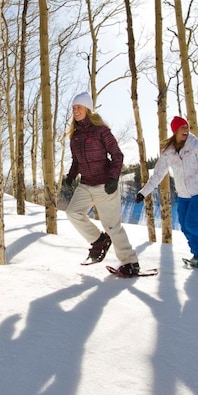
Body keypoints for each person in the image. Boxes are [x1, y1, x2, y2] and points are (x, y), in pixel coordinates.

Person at [135, 116, 198, 267]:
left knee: (192, 224)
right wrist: (143, 192)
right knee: (185, 226)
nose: (186, 130)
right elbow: (158, 175)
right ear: (175, 131)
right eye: (182, 128)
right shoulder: (169, 152)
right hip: (183, 196)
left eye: (187, 127)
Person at [62, 91, 142, 277]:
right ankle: (99, 241)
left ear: (88, 109)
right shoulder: (74, 135)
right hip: (86, 184)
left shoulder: (101, 131)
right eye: (73, 108)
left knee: (112, 226)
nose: (75, 111)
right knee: (72, 212)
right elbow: (76, 161)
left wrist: (113, 178)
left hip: (104, 184)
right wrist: (71, 176)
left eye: (78, 107)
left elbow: (117, 155)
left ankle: (130, 263)